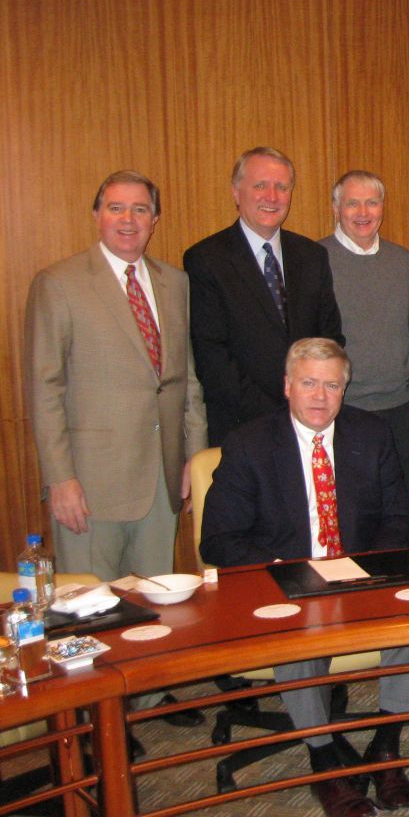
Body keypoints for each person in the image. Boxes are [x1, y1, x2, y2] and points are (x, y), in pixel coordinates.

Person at [200, 338, 409, 817]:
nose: (320, 397)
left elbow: (402, 523)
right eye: (308, 383)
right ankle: (323, 759)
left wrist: (365, 569)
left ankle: (386, 746)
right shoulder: (249, 444)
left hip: (358, 578)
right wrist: (289, 570)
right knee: (296, 629)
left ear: (345, 390)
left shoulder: (372, 433)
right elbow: (218, 540)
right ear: (287, 386)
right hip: (288, 583)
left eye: (332, 385)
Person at [25, 170, 209, 729]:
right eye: (115, 208)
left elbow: (187, 381)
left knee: (153, 595)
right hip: (91, 477)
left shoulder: (174, 283)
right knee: (89, 604)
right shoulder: (59, 283)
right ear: (97, 215)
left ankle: (144, 698)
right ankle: (93, 719)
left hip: (161, 470)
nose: (128, 220)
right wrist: (60, 478)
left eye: (139, 210)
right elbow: (44, 387)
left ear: (156, 219)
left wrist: (192, 460)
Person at [184, 146, 343, 445]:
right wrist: (279, 414)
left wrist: (308, 404)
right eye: (260, 185)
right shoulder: (206, 259)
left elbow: (329, 338)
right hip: (241, 428)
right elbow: (212, 355)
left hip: (310, 424)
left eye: (282, 187)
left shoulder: (312, 256)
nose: (272, 196)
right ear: (235, 192)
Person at [320, 170, 409, 496]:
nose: (363, 213)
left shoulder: (403, 261)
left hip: (398, 408)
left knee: (398, 505)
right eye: (353, 204)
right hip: (341, 409)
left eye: (372, 203)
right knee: (349, 509)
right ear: (336, 209)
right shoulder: (314, 260)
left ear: (382, 207)